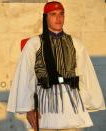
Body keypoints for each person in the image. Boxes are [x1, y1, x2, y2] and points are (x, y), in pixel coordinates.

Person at [7, 1, 105, 131]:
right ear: (45, 17)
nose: (58, 18)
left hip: (71, 105)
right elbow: (26, 76)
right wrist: (28, 108)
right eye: (53, 14)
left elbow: (84, 73)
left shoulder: (75, 43)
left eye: (61, 14)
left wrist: (86, 100)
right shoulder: (34, 44)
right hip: (45, 105)